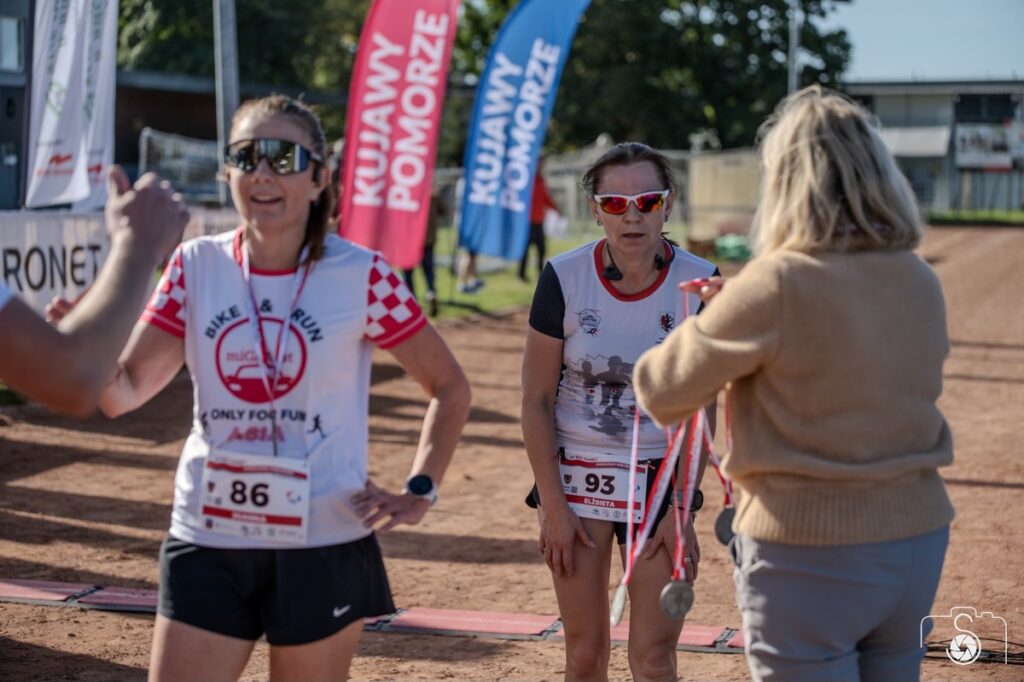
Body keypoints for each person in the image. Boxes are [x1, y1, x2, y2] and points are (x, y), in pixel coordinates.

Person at [81, 95, 470, 681]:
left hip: (324, 538)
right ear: (228, 173)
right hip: (208, 536)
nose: (262, 172)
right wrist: (87, 339)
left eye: (283, 157)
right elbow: (122, 391)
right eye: (246, 156)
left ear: (319, 178)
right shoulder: (194, 266)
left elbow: (449, 386)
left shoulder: (362, 274)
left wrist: (420, 489)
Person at [633, 86, 955, 682]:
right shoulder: (918, 278)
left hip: (808, 550)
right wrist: (746, 316)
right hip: (916, 538)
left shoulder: (777, 281)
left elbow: (661, 388)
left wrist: (716, 320)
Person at [521, 142, 718, 682]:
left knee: (654, 658)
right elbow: (536, 401)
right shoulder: (563, 277)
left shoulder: (700, 283)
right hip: (577, 476)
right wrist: (552, 508)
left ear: (668, 204)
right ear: (595, 209)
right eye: (614, 203)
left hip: (660, 480)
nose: (632, 215)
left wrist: (683, 511)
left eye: (647, 201)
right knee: (584, 655)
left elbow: (702, 410)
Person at [0, 167, 188, 416]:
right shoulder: (200, 262)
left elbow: (90, 379)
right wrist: (138, 242)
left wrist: (90, 343)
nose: (259, 173)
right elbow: (75, 378)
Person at [519, 157, 560, 281]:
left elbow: (545, 198)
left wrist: (555, 208)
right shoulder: (527, 180)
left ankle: (540, 273)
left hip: (539, 221)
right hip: (527, 222)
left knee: (541, 248)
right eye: (539, 164)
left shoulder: (541, 180)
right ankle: (521, 274)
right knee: (525, 250)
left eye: (543, 164)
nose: (541, 167)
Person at [404, 188, 442, 316]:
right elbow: (444, 211)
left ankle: (413, 301)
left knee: (409, 273)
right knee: (428, 271)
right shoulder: (431, 195)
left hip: (409, 240)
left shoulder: (403, 193)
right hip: (427, 240)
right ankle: (430, 292)